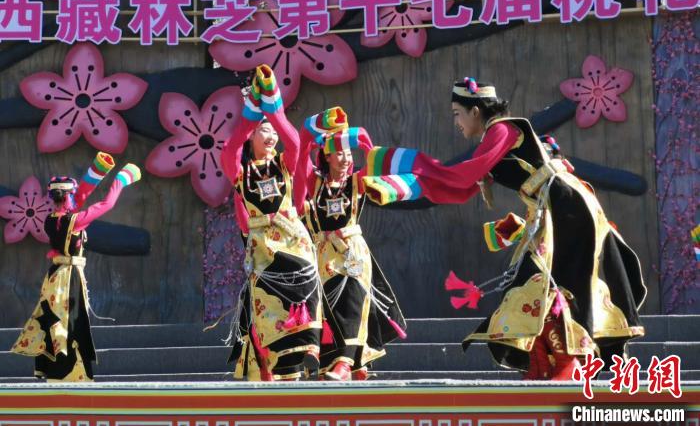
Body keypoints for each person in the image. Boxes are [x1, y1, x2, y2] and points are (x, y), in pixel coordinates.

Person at [361, 78, 646, 380]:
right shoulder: (495, 138)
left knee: (551, 282)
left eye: (457, 113)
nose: (455, 122)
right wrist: (392, 187)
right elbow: (461, 188)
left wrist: (406, 168)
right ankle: (542, 362)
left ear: (475, 111)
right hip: (555, 207)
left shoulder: (501, 129)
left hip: (565, 206)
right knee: (531, 283)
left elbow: (460, 177)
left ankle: (567, 361)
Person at [220, 64, 322, 381]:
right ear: (251, 135)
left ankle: (312, 350)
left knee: (306, 276)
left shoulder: (284, 164)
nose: (273, 135)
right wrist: (252, 112)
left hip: (292, 235)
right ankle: (282, 366)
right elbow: (230, 148)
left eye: (274, 131)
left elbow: (295, 142)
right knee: (269, 304)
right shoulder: (240, 172)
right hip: (263, 244)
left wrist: (273, 104)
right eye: (265, 130)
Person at [296, 108, 407, 381]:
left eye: (349, 153)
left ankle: (345, 363)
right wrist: (317, 135)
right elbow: (300, 158)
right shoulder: (315, 182)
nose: (346, 159)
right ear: (327, 155)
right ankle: (352, 366)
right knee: (331, 313)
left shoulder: (357, 181)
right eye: (340, 153)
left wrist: (356, 136)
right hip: (323, 257)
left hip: (353, 252)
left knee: (353, 302)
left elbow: (372, 155)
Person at [11, 153, 141, 381]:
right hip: (68, 279)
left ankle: (60, 372)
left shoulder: (51, 218)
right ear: (67, 197)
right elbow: (107, 203)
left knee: (56, 321)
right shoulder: (74, 221)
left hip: (55, 278)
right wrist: (121, 180)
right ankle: (71, 373)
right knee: (69, 322)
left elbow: (79, 197)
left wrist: (97, 171)